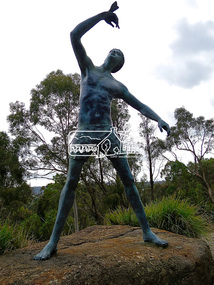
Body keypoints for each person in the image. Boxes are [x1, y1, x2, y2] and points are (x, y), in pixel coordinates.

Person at [34, 2, 170, 261]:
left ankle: (147, 232)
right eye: (114, 49)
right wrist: (103, 15)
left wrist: (159, 118)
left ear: (119, 64)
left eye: (120, 53)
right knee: (71, 183)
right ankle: (52, 243)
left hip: (108, 134)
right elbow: (74, 35)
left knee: (129, 180)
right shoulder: (87, 69)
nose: (115, 51)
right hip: (84, 133)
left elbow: (140, 105)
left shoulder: (117, 84)